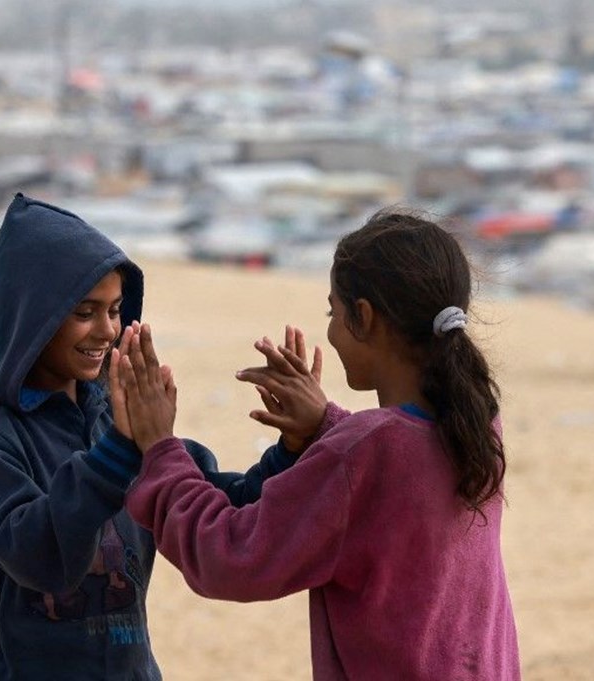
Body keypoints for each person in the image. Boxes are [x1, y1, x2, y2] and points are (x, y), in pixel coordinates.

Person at [116, 207, 520, 680]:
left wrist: (159, 448)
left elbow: (230, 555)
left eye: (334, 310)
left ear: (363, 317)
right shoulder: (475, 423)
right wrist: (325, 425)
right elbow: (397, 477)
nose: (330, 327)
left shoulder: (364, 451)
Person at [0, 194, 305, 681]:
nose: (107, 330)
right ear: (32, 317)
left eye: (115, 310)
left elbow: (219, 505)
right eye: (84, 312)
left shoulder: (114, 420)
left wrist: (292, 447)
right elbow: (38, 555)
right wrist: (118, 452)